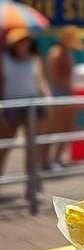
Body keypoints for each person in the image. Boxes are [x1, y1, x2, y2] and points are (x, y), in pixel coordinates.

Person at [0, 28, 52, 176]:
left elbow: (41, 82)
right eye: (19, 41)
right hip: (11, 106)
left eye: (26, 40)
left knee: (32, 147)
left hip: (33, 106)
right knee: (4, 145)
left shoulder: (34, 59)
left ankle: (32, 184)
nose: (23, 44)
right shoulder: (4, 60)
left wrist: (47, 100)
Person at [44, 26, 84, 164]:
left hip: (67, 94)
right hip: (58, 95)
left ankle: (57, 157)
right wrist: (69, 91)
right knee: (55, 127)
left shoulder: (66, 52)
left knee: (67, 127)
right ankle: (47, 160)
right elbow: (54, 76)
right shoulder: (55, 53)